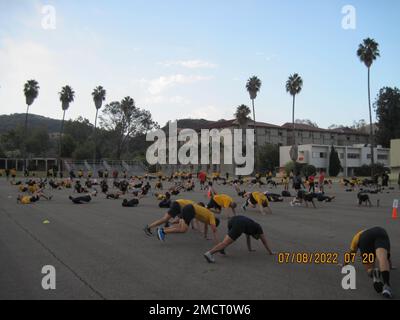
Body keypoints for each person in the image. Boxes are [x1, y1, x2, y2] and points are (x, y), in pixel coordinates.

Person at [342, 227, 394, 299]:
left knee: (369, 269)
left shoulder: (357, 236)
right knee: (382, 258)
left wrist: (344, 264)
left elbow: (351, 253)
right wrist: (390, 266)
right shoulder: (378, 231)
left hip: (365, 238)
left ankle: (374, 273)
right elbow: (387, 256)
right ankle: (386, 286)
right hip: (380, 231)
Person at [203, 215, 274, 263]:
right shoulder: (258, 228)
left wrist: (250, 249)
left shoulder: (251, 227)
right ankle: (209, 253)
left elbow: (247, 238)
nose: (256, 238)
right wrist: (270, 252)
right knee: (226, 243)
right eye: (257, 238)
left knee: (227, 239)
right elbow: (264, 242)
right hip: (240, 224)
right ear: (257, 234)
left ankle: (221, 249)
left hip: (233, 219)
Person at [156, 203, 221, 244]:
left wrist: (205, 236)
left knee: (180, 226)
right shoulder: (211, 215)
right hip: (190, 209)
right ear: (214, 221)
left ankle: (163, 229)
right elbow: (214, 229)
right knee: (183, 229)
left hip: (188, 208)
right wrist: (218, 243)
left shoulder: (208, 218)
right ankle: (162, 231)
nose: (210, 224)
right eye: (212, 224)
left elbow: (206, 227)